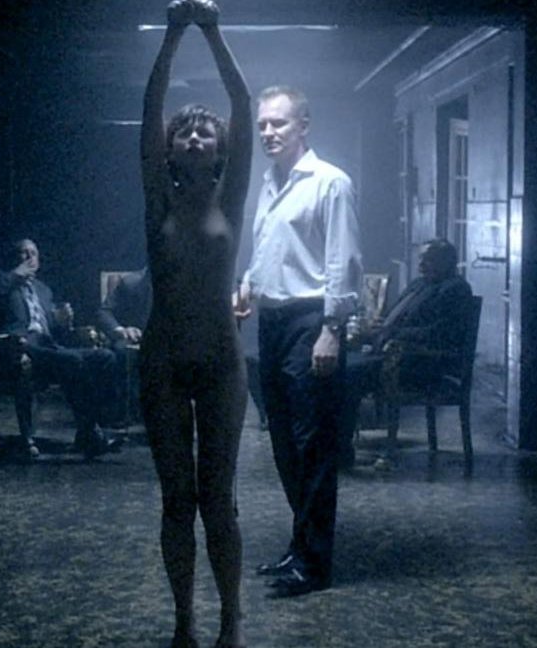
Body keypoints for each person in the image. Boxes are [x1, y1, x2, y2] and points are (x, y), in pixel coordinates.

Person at [139, 1, 251, 646]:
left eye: (207, 132)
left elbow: (241, 101)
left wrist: (212, 30)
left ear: (221, 148)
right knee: (176, 501)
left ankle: (230, 620)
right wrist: (172, 33)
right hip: (162, 361)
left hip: (221, 364)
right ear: (171, 149)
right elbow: (152, 105)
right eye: (185, 132)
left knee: (220, 501)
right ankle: (184, 619)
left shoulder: (230, 199)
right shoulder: (158, 198)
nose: (196, 137)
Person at [233, 84, 362, 598]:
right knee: (284, 441)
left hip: (312, 322)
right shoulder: (269, 183)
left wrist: (332, 329)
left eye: (278, 123)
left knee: (313, 445)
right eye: (262, 124)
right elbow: (269, 248)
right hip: (272, 322)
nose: (268, 132)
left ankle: (315, 564)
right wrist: (247, 286)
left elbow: (342, 261)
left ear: (303, 125)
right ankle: (300, 547)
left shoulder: (331, 182)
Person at [340, 239, 474, 467]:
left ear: (446, 262)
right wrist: (379, 328)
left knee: (349, 374)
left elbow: (441, 334)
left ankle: (341, 449)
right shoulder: (418, 285)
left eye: (428, 260)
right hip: (392, 353)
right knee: (341, 364)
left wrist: (393, 333)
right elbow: (395, 317)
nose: (421, 264)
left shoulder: (455, 290)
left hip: (421, 363)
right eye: (420, 259)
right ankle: (333, 440)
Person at [0, 238, 123, 460]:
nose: (29, 257)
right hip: (18, 346)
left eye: (33, 253)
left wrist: (62, 320)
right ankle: (90, 434)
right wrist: (14, 275)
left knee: (105, 357)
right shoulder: (1, 280)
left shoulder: (43, 290)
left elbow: (54, 330)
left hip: (48, 346)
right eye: (23, 253)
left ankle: (94, 425)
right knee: (72, 361)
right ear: (14, 258)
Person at [96, 266, 153, 425]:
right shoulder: (130, 283)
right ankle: (127, 414)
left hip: (171, 340)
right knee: (122, 352)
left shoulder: (183, 282)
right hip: (135, 339)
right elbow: (104, 312)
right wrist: (121, 330)